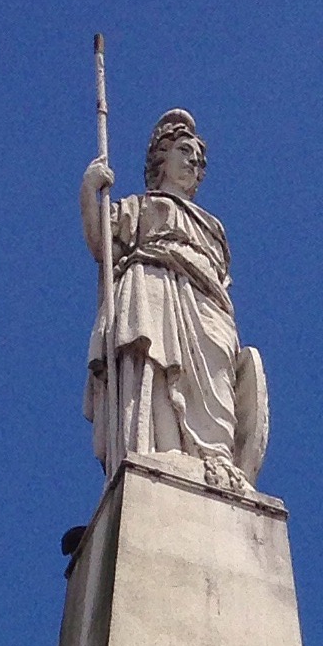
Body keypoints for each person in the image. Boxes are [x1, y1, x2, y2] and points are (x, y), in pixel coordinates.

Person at [82, 109, 268, 487]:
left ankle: (215, 459)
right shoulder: (140, 205)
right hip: (153, 286)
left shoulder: (213, 227)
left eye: (199, 160)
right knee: (154, 365)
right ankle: (154, 448)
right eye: (185, 151)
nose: (193, 164)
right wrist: (89, 190)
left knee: (217, 379)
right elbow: (102, 242)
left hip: (207, 305)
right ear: (161, 160)